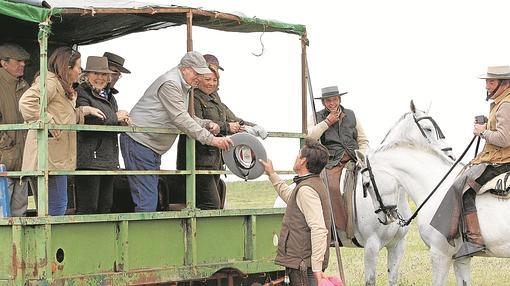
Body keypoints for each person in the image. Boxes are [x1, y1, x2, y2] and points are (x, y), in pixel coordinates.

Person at [119, 51, 232, 212]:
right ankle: (144, 235)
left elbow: (185, 116)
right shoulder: (170, 84)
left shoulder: (183, 85)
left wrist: (206, 124)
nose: (199, 78)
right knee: (147, 200)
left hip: (150, 146)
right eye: (197, 73)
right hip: (140, 142)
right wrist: (212, 140)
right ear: (185, 69)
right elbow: (179, 118)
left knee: (150, 198)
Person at [431, 65, 510, 259]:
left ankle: (475, 240)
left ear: (505, 83)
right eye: (486, 82)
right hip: (496, 157)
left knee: (465, 187)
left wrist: (482, 132)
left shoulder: (506, 104)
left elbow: (504, 139)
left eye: (491, 82)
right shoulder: (500, 102)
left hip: (502, 161)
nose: (487, 86)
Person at [19, 47, 105, 216]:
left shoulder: (61, 85)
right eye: (78, 67)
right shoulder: (50, 82)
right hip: (48, 157)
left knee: (53, 208)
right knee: (57, 208)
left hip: (55, 157)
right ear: (67, 68)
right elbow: (26, 103)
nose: (80, 71)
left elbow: (61, 115)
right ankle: (50, 242)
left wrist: (83, 111)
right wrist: (49, 122)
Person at [176, 54, 267, 209]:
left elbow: (233, 119)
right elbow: (195, 123)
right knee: (211, 204)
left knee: (215, 204)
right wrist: (226, 127)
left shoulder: (215, 99)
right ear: (198, 76)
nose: (212, 82)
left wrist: (255, 127)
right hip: (199, 161)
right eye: (208, 78)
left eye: (215, 78)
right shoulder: (192, 97)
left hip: (215, 161)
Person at [259, 139, 332, 286]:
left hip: (304, 265)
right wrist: (272, 174)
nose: (295, 158)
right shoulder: (310, 184)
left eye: (298, 155)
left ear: (303, 161)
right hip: (304, 264)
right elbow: (291, 197)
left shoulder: (306, 189)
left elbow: (319, 229)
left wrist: (317, 268)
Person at [307, 85, 369, 239]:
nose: (332, 103)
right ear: (323, 103)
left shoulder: (351, 115)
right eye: (328, 100)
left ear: (339, 99)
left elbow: (363, 140)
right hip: (331, 161)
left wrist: (363, 155)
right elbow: (310, 138)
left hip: (355, 158)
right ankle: (340, 228)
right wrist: (327, 122)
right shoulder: (317, 117)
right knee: (332, 186)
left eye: (334, 99)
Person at [74, 56, 130, 214]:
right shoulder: (81, 93)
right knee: (88, 207)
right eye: (96, 74)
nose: (100, 78)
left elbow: (109, 122)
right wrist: (115, 117)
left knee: (106, 205)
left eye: (104, 74)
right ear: (87, 75)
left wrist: (122, 123)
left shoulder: (110, 96)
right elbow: (87, 120)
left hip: (108, 159)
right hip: (89, 160)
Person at [0, 43, 30, 216]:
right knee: (2, 214)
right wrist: (5, 144)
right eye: (18, 61)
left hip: (23, 162)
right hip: (4, 159)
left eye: (24, 61)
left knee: (20, 213)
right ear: (4, 63)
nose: (23, 64)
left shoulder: (24, 86)